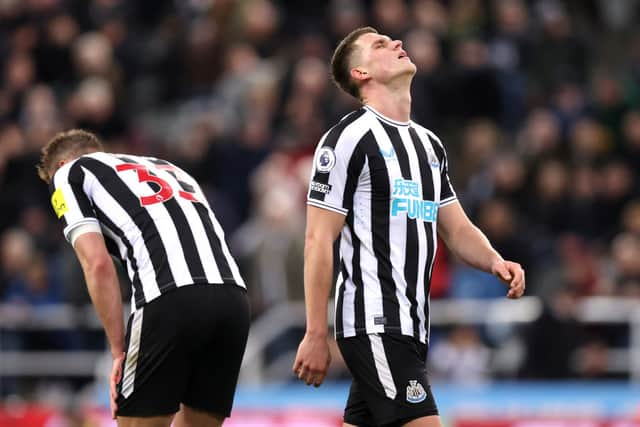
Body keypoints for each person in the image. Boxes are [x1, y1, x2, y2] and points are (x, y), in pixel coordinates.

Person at [292, 27, 525, 427]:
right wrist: (316, 331)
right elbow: (317, 239)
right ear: (362, 73)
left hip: (413, 328)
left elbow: (455, 228)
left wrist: (494, 261)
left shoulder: (429, 145)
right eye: (380, 45)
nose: (397, 43)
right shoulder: (347, 138)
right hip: (376, 323)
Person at [37, 129, 250, 427]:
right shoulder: (169, 168)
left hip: (169, 296)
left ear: (59, 167)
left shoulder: (68, 174)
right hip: (234, 300)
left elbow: (97, 263)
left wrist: (117, 352)